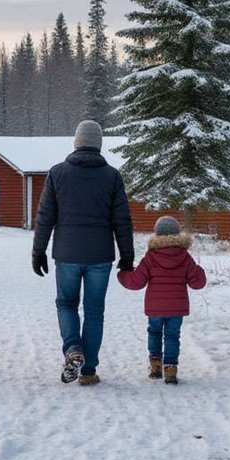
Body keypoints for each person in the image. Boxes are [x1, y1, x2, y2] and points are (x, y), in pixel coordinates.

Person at [32, 120, 134, 386]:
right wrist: (127, 256)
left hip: (67, 253)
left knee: (66, 304)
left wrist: (38, 250)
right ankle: (88, 370)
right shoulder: (112, 176)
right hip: (100, 255)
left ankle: (73, 349)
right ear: (98, 144)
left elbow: (45, 217)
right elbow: (122, 219)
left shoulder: (57, 173)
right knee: (94, 311)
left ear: (76, 142)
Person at [117, 215, 207, 384]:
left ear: (157, 234)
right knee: (173, 336)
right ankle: (171, 368)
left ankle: (156, 365)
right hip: (177, 308)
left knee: (154, 332)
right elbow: (197, 283)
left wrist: (123, 275)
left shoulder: (151, 257)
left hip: (155, 307)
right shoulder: (184, 256)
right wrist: (199, 271)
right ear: (177, 233)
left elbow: (136, 282)